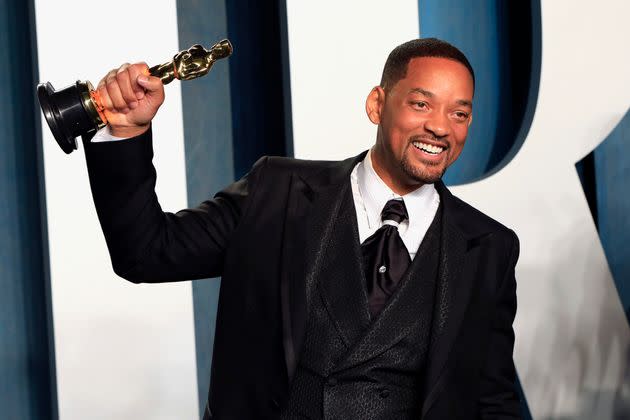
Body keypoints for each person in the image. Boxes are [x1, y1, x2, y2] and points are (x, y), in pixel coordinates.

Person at [84, 38, 521, 419]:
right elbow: (145, 252)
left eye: (459, 114)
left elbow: (491, 400)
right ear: (377, 104)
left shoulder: (489, 249)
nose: (440, 127)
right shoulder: (277, 191)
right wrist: (126, 132)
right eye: (421, 103)